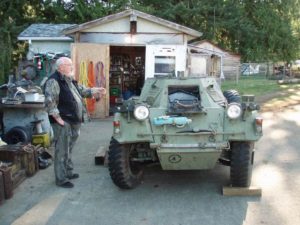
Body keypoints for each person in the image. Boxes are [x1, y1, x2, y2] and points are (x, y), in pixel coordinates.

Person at [44, 57, 106, 188]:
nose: (72, 67)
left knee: (69, 148)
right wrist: (58, 119)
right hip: (63, 121)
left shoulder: (69, 80)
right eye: (69, 65)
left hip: (73, 120)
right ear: (60, 67)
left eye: (71, 65)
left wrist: (96, 90)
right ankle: (61, 179)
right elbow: (50, 102)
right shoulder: (53, 81)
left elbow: (83, 91)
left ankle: (68, 172)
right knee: (62, 150)